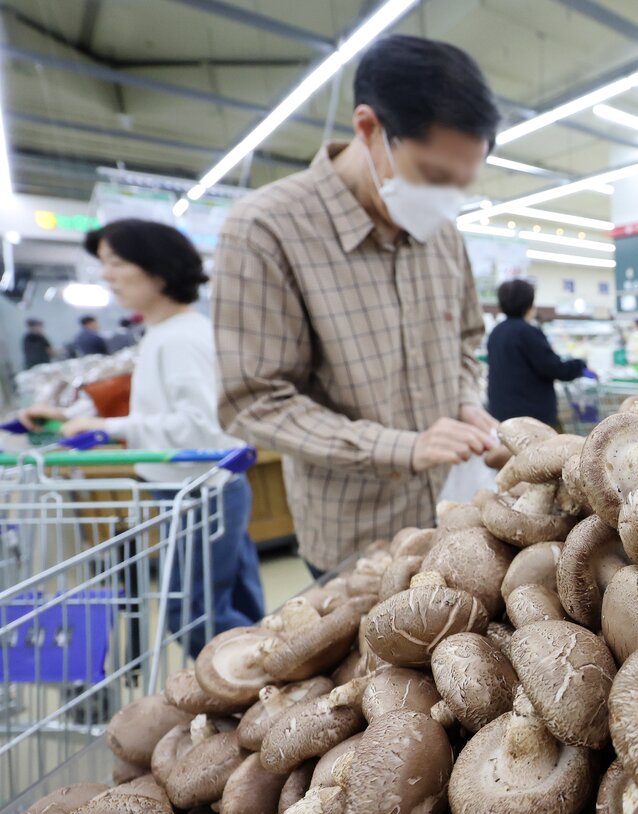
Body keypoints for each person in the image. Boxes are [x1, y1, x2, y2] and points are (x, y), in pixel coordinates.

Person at [215, 35, 502, 577]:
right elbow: (253, 402)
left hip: (456, 522)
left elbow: (465, 341)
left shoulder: (442, 233)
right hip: (356, 542)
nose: (446, 199)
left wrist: (464, 399)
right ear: (369, 129)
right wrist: (400, 446)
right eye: (435, 176)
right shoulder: (265, 231)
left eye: (462, 184)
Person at [21, 219, 263, 654]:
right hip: (198, 489)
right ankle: (268, 690)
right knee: (234, 607)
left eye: (116, 262)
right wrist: (69, 416)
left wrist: (110, 427)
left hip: (200, 492)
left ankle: (249, 688)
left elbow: (203, 426)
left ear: (158, 269)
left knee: (192, 616)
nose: (106, 274)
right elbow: (158, 407)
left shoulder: (180, 339)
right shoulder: (164, 333)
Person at [486, 279, 591, 425]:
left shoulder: (496, 332)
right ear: (528, 304)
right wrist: (580, 364)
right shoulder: (527, 332)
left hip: (502, 413)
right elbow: (553, 368)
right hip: (530, 416)